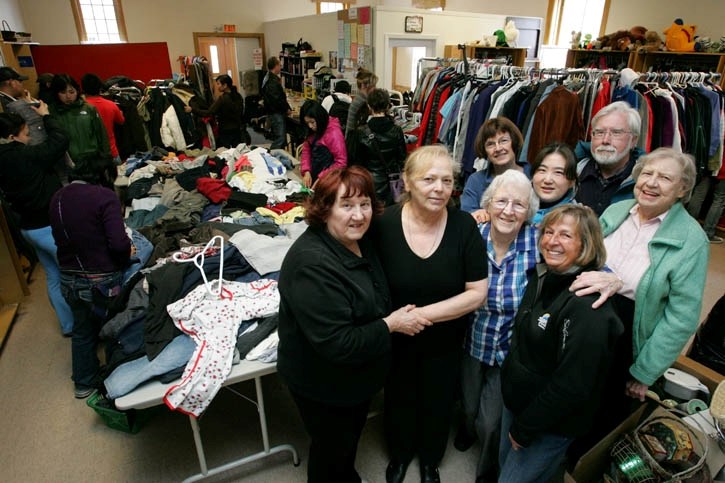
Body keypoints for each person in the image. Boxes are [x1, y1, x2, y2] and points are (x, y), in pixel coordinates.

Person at [278, 166, 431, 483]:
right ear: (324, 210)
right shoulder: (312, 264)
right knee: (331, 450)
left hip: (355, 378)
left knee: (345, 443)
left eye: (364, 204)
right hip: (324, 383)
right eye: (346, 205)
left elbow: (405, 214)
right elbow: (338, 343)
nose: (358, 215)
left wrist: (470, 216)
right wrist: (391, 324)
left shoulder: (359, 237)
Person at [569, 147, 708, 449]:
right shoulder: (619, 211)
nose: (651, 183)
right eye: (647, 173)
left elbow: (680, 317)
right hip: (585, 317)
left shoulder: (691, 239)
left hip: (626, 333)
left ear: (683, 188)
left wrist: (645, 371)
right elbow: (588, 255)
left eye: (665, 178)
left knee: (602, 415)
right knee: (571, 397)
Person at [373, 145, 488, 483]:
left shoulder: (464, 227)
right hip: (395, 336)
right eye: (428, 179)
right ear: (407, 182)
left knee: (438, 401)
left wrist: (421, 315)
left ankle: (429, 461)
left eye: (447, 180)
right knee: (398, 396)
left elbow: (476, 293)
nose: (439, 188)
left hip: (444, 339)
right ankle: (399, 455)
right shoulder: (384, 225)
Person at [498, 205, 623, 482]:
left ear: (585, 245)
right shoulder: (543, 275)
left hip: (547, 423)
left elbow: (572, 385)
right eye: (549, 232)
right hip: (520, 404)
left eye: (566, 236)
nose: (552, 241)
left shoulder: (588, 306)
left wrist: (526, 428)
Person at [459, 170, 539, 482]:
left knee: (491, 423)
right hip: (470, 339)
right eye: (501, 201)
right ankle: (465, 431)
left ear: (528, 212)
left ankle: (485, 470)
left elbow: (583, 255)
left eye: (518, 204)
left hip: (508, 348)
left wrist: (606, 274)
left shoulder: (537, 239)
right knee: (467, 404)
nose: (508, 210)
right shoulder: (471, 235)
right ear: (488, 205)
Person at [49, 152, 133, 398]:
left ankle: (84, 383)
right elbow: (118, 245)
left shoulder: (58, 197)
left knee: (82, 330)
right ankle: (121, 382)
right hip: (100, 278)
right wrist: (128, 251)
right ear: (104, 174)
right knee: (114, 326)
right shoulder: (103, 197)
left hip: (68, 276)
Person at [0, 104, 74, 336]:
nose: (30, 135)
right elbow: (60, 140)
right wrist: (46, 116)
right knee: (73, 274)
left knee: (53, 275)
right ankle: (84, 326)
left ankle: (68, 325)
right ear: (12, 137)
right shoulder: (26, 156)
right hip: (47, 226)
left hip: (28, 227)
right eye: (25, 132)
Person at [574, 101, 645, 216]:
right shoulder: (573, 171)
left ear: (633, 140)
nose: (605, 140)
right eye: (599, 132)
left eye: (616, 133)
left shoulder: (644, 182)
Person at [346, 88, 407, 206]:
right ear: (388, 106)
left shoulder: (360, 132)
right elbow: (402, 160)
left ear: (369, 106)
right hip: (392, 185)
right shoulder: (397, 131)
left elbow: (354, 163)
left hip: (368, 185)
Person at [461, 117, 528, 218]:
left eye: (503, 141)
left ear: (513, 143)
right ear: (484, 150)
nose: (498, 148)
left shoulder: (535, 174)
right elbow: (466, 217)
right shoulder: (476, 181)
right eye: (490, 144)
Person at [49, 74, 110, 164]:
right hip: (68, 164)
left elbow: (102, 136)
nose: (68, 96)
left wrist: (106, 158)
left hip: (93, 160)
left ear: (77, 91)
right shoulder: (51, 112)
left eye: (71, 92)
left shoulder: (89, 109)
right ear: (56, 93)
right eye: (63, 92)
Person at [184, 74, 245, 149]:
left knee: (226, 153)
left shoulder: (222, 99)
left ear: (225, 85)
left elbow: (208, 113)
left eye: (219, 84)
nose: (217, 86)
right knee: (238, 151)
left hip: (225, 130)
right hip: (237, 129)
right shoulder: (238, 96)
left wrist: (192, 110)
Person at [299, 99, 347, 189]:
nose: (310, 126)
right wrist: (306, 171)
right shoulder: (312, 131)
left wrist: (322, 177)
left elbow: (341, 162)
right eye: (307, 123)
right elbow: (306, 149)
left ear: (320, 118)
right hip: (315, 174)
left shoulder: (334, 133)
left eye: (312, 122)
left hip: (330, 180)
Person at [530, 142, 578, 226]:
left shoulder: (576, 220)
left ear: (572, 181)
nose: (547, 180)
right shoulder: (513, 208)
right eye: (542, 170)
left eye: (558, 172)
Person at [81, 73, 125, 163]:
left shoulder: (81, 107)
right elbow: (121, 121)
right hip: (112, 153)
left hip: (91, 157)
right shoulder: (111, 105)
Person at [687, 165, 725, 244]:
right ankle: (708, 233)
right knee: (719, 200)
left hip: (708, 164)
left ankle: (686, 229)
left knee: (699, 195)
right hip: (722, 169)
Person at [262, 56, 292, 150]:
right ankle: (272, 155)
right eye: (279, 65)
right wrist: (286, 109)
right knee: (280, 138)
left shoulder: (268, 78)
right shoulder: (272, 82)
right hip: (276, 113)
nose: (281, 66)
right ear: (275, 66)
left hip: (273, 111)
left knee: (280, 137)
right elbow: (278, 99)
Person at [345, 69, 378, 137]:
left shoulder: (366, 99)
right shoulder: (360, 102)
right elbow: (351, 128)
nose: (375, 88)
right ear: (363, 86)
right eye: (373, 86)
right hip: (357, 141)